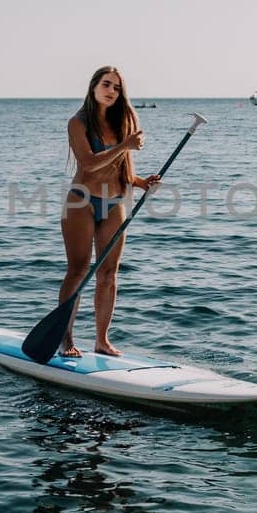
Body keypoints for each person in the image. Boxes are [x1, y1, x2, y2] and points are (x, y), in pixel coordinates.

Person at [58, 65, 162, 357]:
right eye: (106, 84)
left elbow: (122, 165)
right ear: (93, 87)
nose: (111, 91)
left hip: (115, 202)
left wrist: (141, 182)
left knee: (109, 273)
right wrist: (126, 145)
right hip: (82, 202)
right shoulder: (77, 123)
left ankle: (102, 340)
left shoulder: (126, 119)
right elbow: (89, 163)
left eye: (117, 87)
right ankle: (66, 339)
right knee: (78, 270)